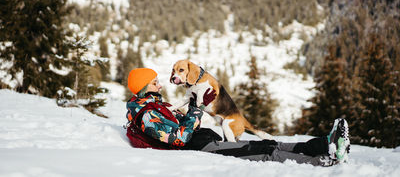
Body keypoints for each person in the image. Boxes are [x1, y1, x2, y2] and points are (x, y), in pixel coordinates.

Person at [125, 68, 350, 167]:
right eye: (154, 82)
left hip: (205, 142)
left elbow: (183, 124)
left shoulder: (154, 106)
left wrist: (196, 104)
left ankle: (324, 144)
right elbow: (179, 138)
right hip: (200, 150)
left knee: (269, 143)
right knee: (265, 153)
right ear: (143, 88)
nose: (160, 84)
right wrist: (197, 108)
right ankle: (325, 161)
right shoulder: (146, 115)